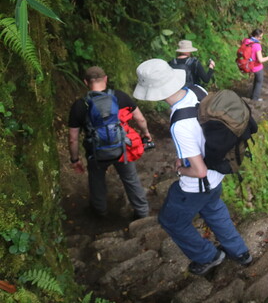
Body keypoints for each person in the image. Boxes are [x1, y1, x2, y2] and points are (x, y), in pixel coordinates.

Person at [133, 59, 252, 275]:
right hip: (218, 172)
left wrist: (180, 169)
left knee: (171, 221)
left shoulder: (179, 124)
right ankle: (241, 253)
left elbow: (199, 171)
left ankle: (209, 256)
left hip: (198, 183)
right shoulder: (197, 90)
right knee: (214, 210)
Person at [67, 66, 151, 219]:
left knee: (96, 181)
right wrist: (146, 133)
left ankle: (100, 213)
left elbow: (73, 138)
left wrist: (75, 159)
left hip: (96, 152)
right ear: (105, 79)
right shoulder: (120, 96)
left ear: (86, 82)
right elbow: (140, 119)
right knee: (131, 179)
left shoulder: (80, 105)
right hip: (122, 148)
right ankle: (142, 212)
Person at [243, 29, 268, 101]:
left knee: (256, 80)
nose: (261, 38)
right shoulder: (257, 45)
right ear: (257, 37)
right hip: (257, 67)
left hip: (248, 64)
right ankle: (255, 98)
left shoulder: (247, 41)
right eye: (261, 37)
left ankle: (253, 95)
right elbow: (260, 60)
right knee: (259, 82)